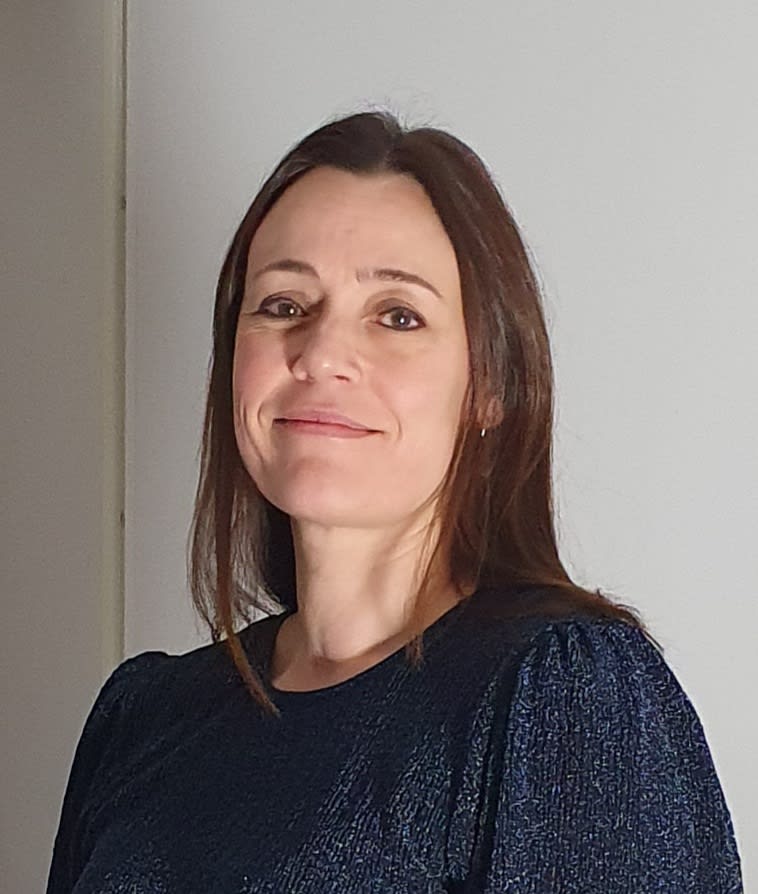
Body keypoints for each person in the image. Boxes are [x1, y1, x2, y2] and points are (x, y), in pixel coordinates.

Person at [46, 110, 743, 892]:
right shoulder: (141, 718)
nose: (321, 355)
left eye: (397, 316)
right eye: (283, 304)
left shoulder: (561, 697)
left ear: (489, 386)